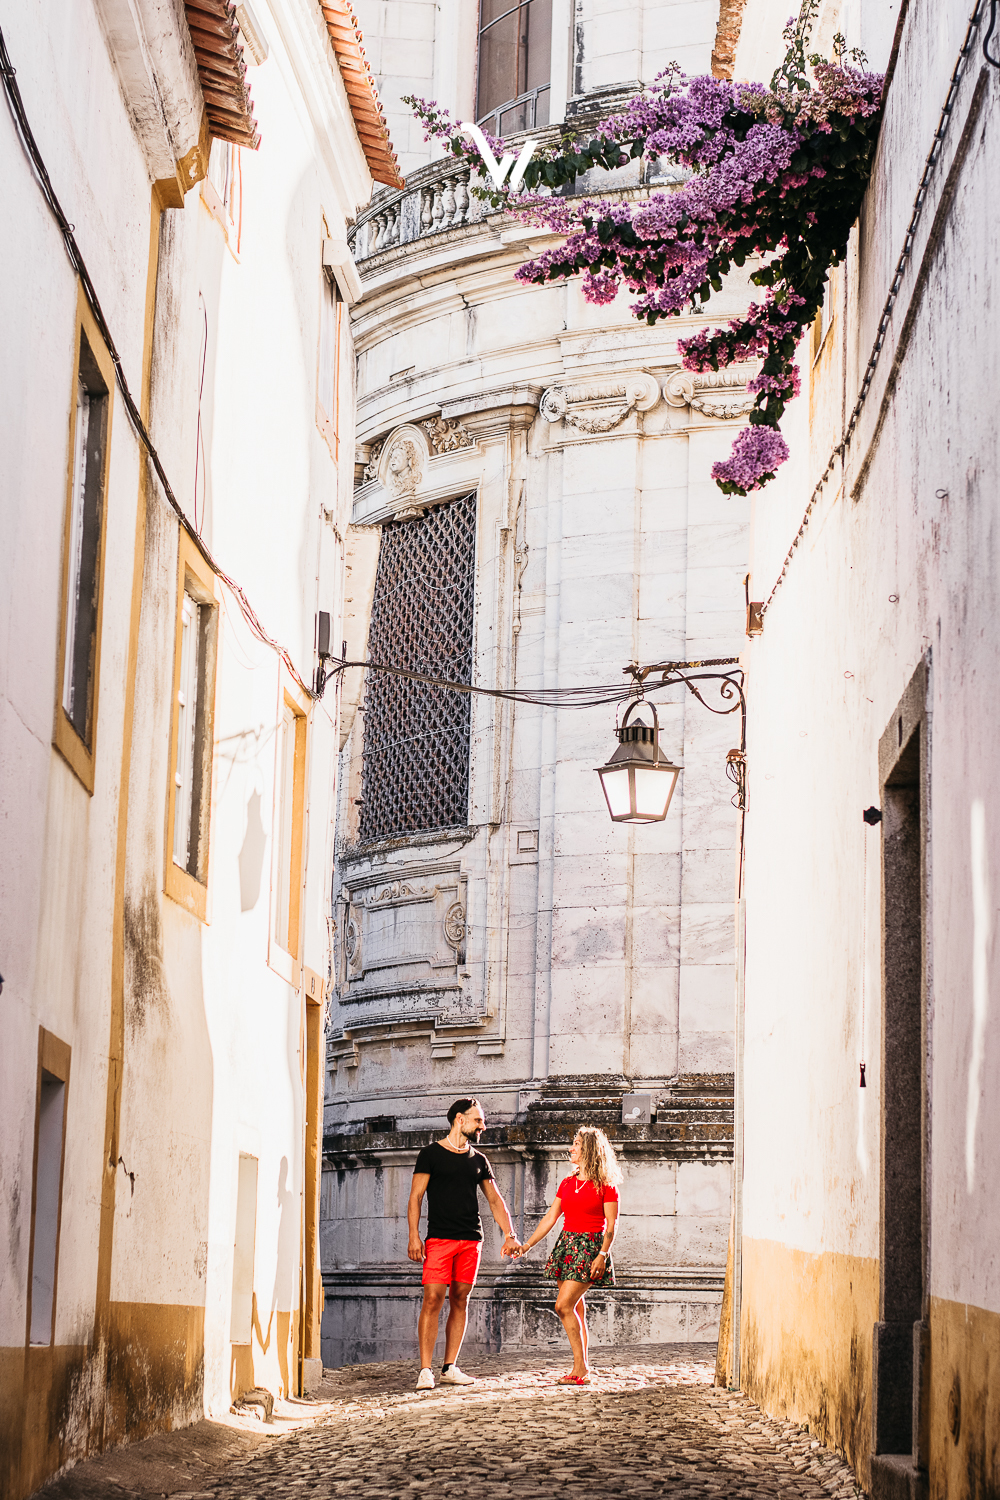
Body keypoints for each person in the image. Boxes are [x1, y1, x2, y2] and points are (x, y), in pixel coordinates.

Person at [407, 1097, 520, 1390]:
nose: (483, 1126)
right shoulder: (430, 1154)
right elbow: (416, 1197)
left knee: (460, 1299)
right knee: (432, 1299)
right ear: (460, 1120)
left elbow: (495, 1200)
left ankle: (449, 1367)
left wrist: (510, 1233)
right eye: (478, 1120)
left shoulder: (479, 1160)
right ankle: (424, 1370)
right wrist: (413, 1236)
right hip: (438, 1239)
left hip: (471, 1239)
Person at [514, 1126, 621, 1385]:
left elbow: (611, 1224)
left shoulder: (606, 1185)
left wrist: (603, 1255)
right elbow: (550, 1218)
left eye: (576, 1144)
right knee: (575, 1310)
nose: (571, 1148)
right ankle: (582, 1364)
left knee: (562, 1306)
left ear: (590, 1150)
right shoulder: (567, 1182)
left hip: (589, 1248)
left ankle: (580, 1368)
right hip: (567, 1246)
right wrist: (526, 1246)